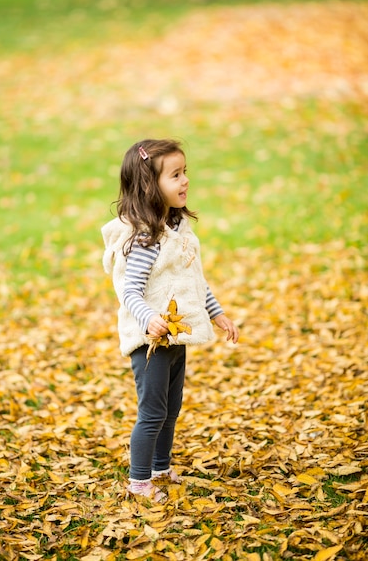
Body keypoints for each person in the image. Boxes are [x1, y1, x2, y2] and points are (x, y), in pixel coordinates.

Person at [102, 139, 239, 502]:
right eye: (175, 175)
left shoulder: (176, 229)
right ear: (150, 185)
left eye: (185, 172)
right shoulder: (146, 239)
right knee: (153, 411)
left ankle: (161, 467)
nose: (185, 181)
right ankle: (139, 481)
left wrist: (217, 312)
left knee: (171, 407)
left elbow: (192, 281)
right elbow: (129, 292)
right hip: (150, 341)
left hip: (175, 336)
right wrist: (149, 320)